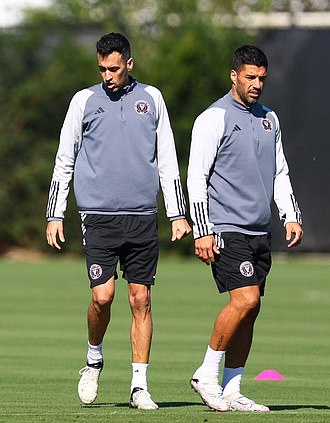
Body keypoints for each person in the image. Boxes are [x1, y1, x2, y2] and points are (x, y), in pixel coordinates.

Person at [45, 32, 191, 410]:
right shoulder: (83, 101)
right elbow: (65, 157)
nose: (107, 76)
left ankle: (139, 385)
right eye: (101, 69)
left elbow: (167, 159)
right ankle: (93, 359)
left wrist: (177, 212)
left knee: (141, 299)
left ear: (129, 64)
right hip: (98, 216)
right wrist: (55, 214)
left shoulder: (152, 98)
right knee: (103, 297)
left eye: (113, 68)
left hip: (142, 216)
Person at [187, 45, 303, 412]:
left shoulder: (270, 118)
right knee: (245, 299)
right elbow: (196, 177)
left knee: (251, 310)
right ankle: (205, 375)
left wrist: (290, 214)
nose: (256, 84)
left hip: (258, 229)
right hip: (225, 227)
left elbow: (279, 171)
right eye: (250, 77)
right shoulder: (213, 118)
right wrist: (201, 229)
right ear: (233, 75)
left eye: (262, 78)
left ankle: (232, 389)